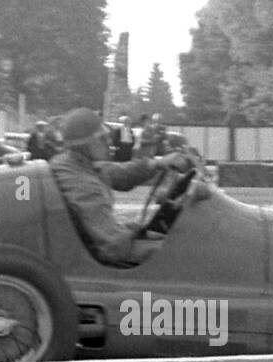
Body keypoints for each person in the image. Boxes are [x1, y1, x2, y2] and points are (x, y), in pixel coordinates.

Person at [50, 107, 192, 268]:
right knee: (184, 253)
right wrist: (144, 237)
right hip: (98, 265)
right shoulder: (83, 184)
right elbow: (113, 247)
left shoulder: (77, 164)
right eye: (103, 138)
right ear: (87, 144)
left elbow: (120, 174)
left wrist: (158, 163)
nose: (110, 142)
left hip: (92, 249)